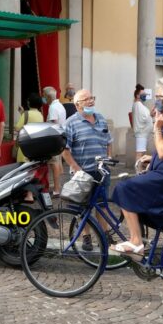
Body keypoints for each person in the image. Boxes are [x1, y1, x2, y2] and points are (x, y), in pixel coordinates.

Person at [111, 77, 163, 257]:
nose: (156, 100)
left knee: (125, 189)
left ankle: (136, 241)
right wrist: (153, 157)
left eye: (158, 96)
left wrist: (157, 129)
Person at [62, 88, 112, 250]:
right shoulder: (71, 122)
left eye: (92, 98)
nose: (91, 101)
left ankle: (104, 236)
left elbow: (108, 141)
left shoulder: (101, 119)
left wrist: (108, 159)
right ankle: (86, 237)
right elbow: (64, 149)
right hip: (82, 172)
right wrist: (75, 167)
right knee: (83, 207)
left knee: (101, 204)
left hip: (101, 171)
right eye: (86, 99)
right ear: (77, 104)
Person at [42, 86, 67, 196]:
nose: (43, 98)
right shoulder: (60, 105)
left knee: (54, 163)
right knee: (57, 163)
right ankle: (59, 187)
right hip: (60, 137)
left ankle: (57, 189)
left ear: (48, 96)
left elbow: (54, 123)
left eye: (43, 96)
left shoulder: (52, 108)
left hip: (54, 138)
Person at [15, 93, 44, 163]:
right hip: (35, 147)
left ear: (29, 102)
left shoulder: (26, 114)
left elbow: (17, 128)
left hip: (24, 147)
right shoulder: (40, 115)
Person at [131, 84, 153, 160]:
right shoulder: (138, 105)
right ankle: (138, 170)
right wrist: (150, 115)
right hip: (141, 133)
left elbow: (146, 116)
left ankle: (140, 170)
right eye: (142, 94)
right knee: (140, 153)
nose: (144, 95)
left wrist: (151, 114)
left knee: (142, 153)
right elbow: (145, 117)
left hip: (143, 133)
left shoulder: (139, 105)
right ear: (137, 96)